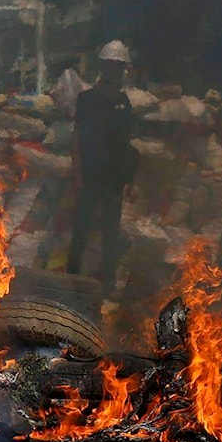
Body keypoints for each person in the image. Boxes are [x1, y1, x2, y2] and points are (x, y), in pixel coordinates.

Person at [67, 40, 138, 295]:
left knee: (111, 234)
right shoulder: (87, 99)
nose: (115, 73)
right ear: (102, 69)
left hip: (114, 181)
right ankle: (71, 281)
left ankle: (107, 286)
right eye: (110, 68)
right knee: (82, 231)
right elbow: (76, 139)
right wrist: (77, 176)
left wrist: (130, 180)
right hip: (90, 177)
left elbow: (127, 144)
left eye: (119, 68)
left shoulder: (124, 103)